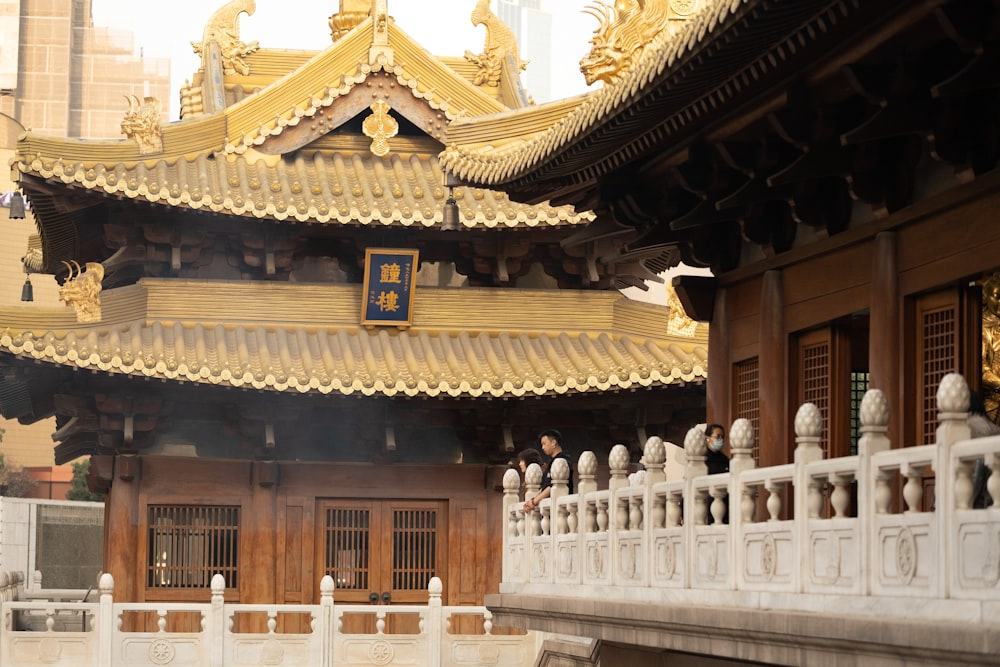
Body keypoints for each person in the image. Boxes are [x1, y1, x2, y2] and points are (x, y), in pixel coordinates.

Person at [523, 429, 574, 512]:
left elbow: (552, 486)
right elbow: (545, 486)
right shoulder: (551, 462)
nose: (542, 447)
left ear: (553, 442)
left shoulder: (562, 460)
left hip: (560, 509)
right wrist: (532, 500)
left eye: (544, 443)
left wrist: (534, 501)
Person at [705, 423, 729, 524]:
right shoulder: (701, 459)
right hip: (707, 508)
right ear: (707, 438)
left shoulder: (725, 460)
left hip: (725, 507)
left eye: (722, 437)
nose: (720, 440)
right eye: (717, 437)